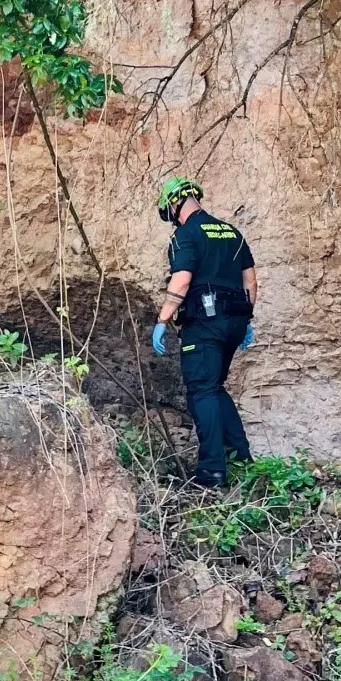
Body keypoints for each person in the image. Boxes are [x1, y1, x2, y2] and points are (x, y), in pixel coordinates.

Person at [151, 177, 257, 488]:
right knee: (215, 387)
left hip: (205, 324)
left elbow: (182, 280)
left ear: (174, 204)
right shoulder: (232, 232)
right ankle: (241, 458)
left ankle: (212, 471)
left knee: (201, 391)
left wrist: (162, 320)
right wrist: (245, 320)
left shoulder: (186, 234)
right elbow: (250, 282)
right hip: (235, 322)